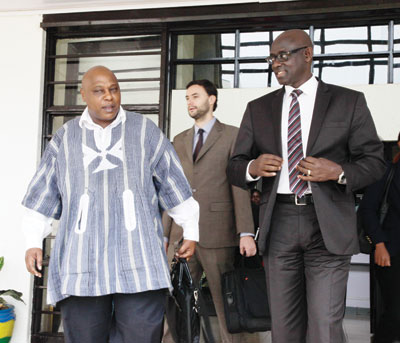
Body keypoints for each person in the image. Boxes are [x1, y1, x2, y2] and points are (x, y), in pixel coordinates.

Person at [226, 29, 386, 343]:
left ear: (307, 54)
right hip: (280, 221)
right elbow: (234, 167)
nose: (275, 64)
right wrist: (252, 167)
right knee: (284, 327)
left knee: (324, 325)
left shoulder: (348, 102)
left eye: (282, 56)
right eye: (272, 58)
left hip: (327, 222)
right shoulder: (258, 108)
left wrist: (338, 171)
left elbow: (375, 162)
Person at [21, 65, 199, 343]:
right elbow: (43, 192)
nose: (109, 97)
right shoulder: (65, 139)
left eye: (114, 89)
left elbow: (173, 182)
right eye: (99, 91)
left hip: (139, 260)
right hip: (82, 262)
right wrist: (33, 240)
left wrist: (191, 229)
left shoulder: (144, 132)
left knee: (141, 337)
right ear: (83, 95)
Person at [163, 79, 257, 343]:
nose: (190, 102)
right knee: (174, 301)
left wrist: (245, 232)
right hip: (181, 233)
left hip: (218, 232)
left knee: (226, 303)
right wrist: (164, 234)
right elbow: (170, 189)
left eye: (195, 96)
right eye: (187, 98)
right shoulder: (179, 140)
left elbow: (239, 186)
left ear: (212, 99)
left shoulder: (233, 135)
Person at [359, 132, 400, 343]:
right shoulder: (386, 172)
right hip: (391, 253)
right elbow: (367, 210)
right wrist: (380, 245)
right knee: (396, 313)